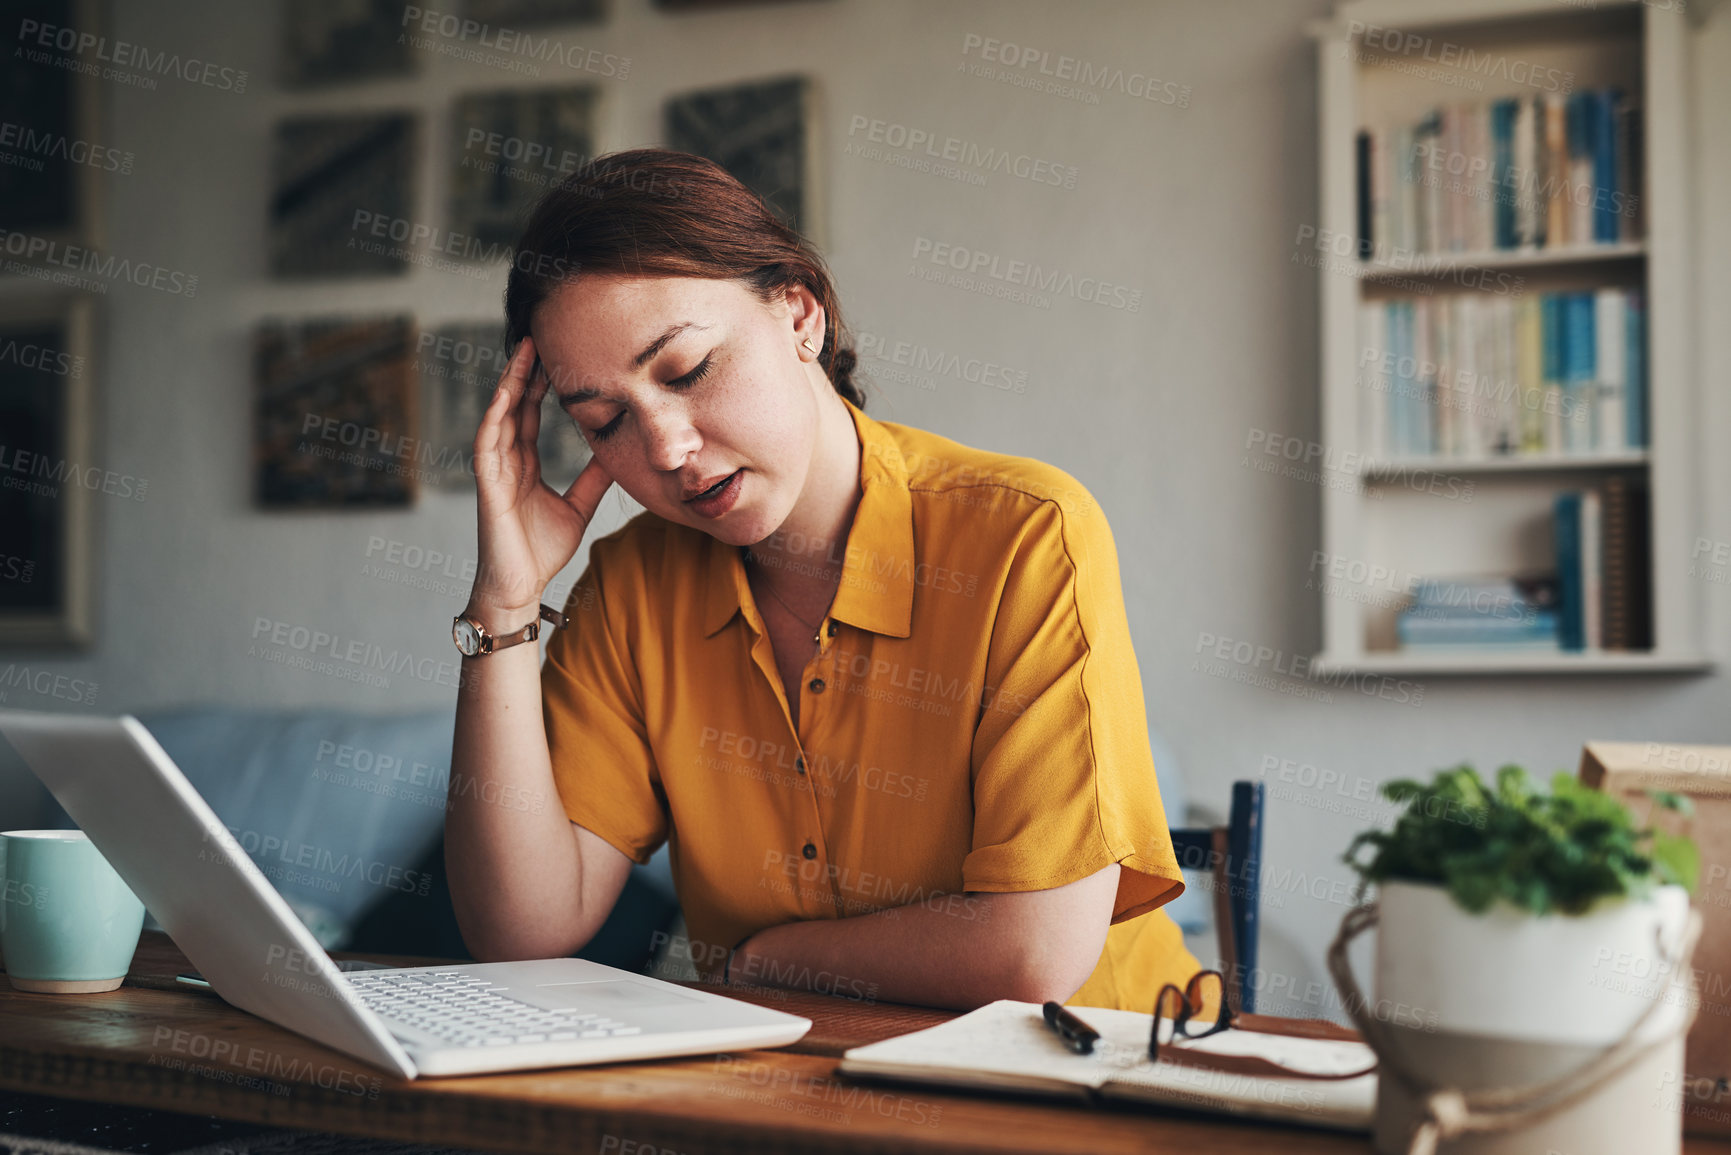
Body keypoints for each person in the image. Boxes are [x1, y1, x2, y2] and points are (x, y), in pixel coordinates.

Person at [445, 148, 1203, 1011]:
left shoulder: (1026, 534)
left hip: (1080, 1090)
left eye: (687, 371)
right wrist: (502, 606)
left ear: (800, 315)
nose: (665, 449)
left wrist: (767, 960)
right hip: (793, 1096)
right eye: (606, 421)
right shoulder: (630, 588)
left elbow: (1031, 953)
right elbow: (519, 930)